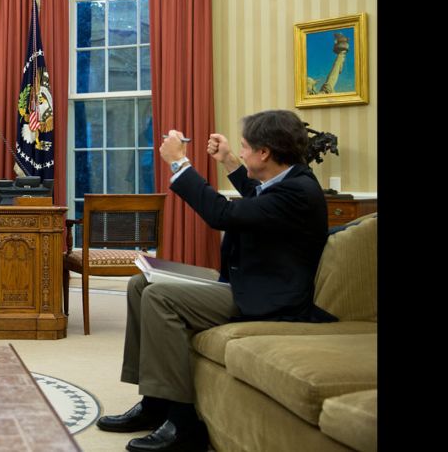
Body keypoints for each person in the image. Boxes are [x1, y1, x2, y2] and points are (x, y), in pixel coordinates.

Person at [96, 109, 336, 452]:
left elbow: (223, 215)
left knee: (160, 297)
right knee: (140, 284)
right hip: (247, 281)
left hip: (270, 298)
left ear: (265, 152)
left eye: (245, 147)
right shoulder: (288, 181)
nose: (242, 152)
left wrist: (180, 164)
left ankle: (182, 423)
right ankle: (155, 404)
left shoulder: (298, 192)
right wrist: (229, 161)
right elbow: (257, 195)